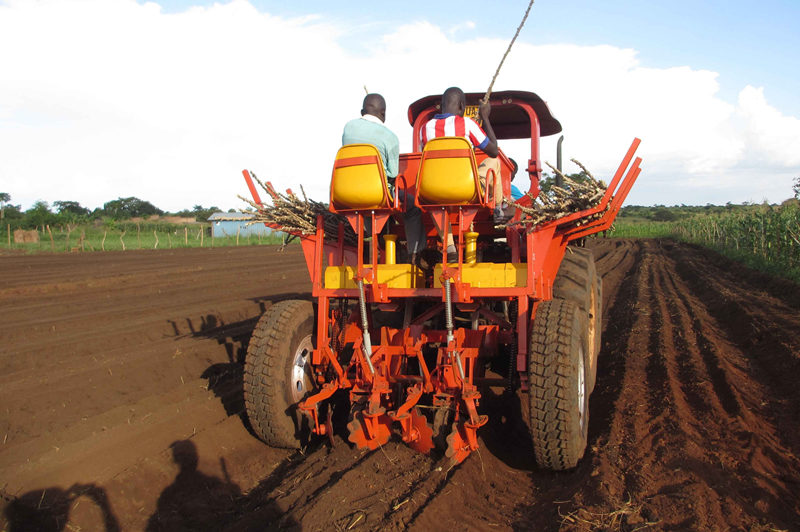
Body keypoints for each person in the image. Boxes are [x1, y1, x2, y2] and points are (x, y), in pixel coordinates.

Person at [419, 87, 510, 260]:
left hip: (434, 189)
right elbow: (493, 150)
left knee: (434, 202)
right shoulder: (467, 124)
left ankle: (450, 247)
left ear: (441, 107)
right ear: (462, 106)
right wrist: (485, 118)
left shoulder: (425, 128)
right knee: (494, 162)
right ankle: (498, 208)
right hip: (466, 188)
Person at [341, 93, 426, 264]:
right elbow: (394, 174)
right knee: (412, 208)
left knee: (366, 204)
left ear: (361, 111)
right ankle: (414, 255)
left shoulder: (348, 128)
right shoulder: (390, 137)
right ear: (384, 114)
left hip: (346, 192)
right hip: (377, 193)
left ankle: (375, 239)